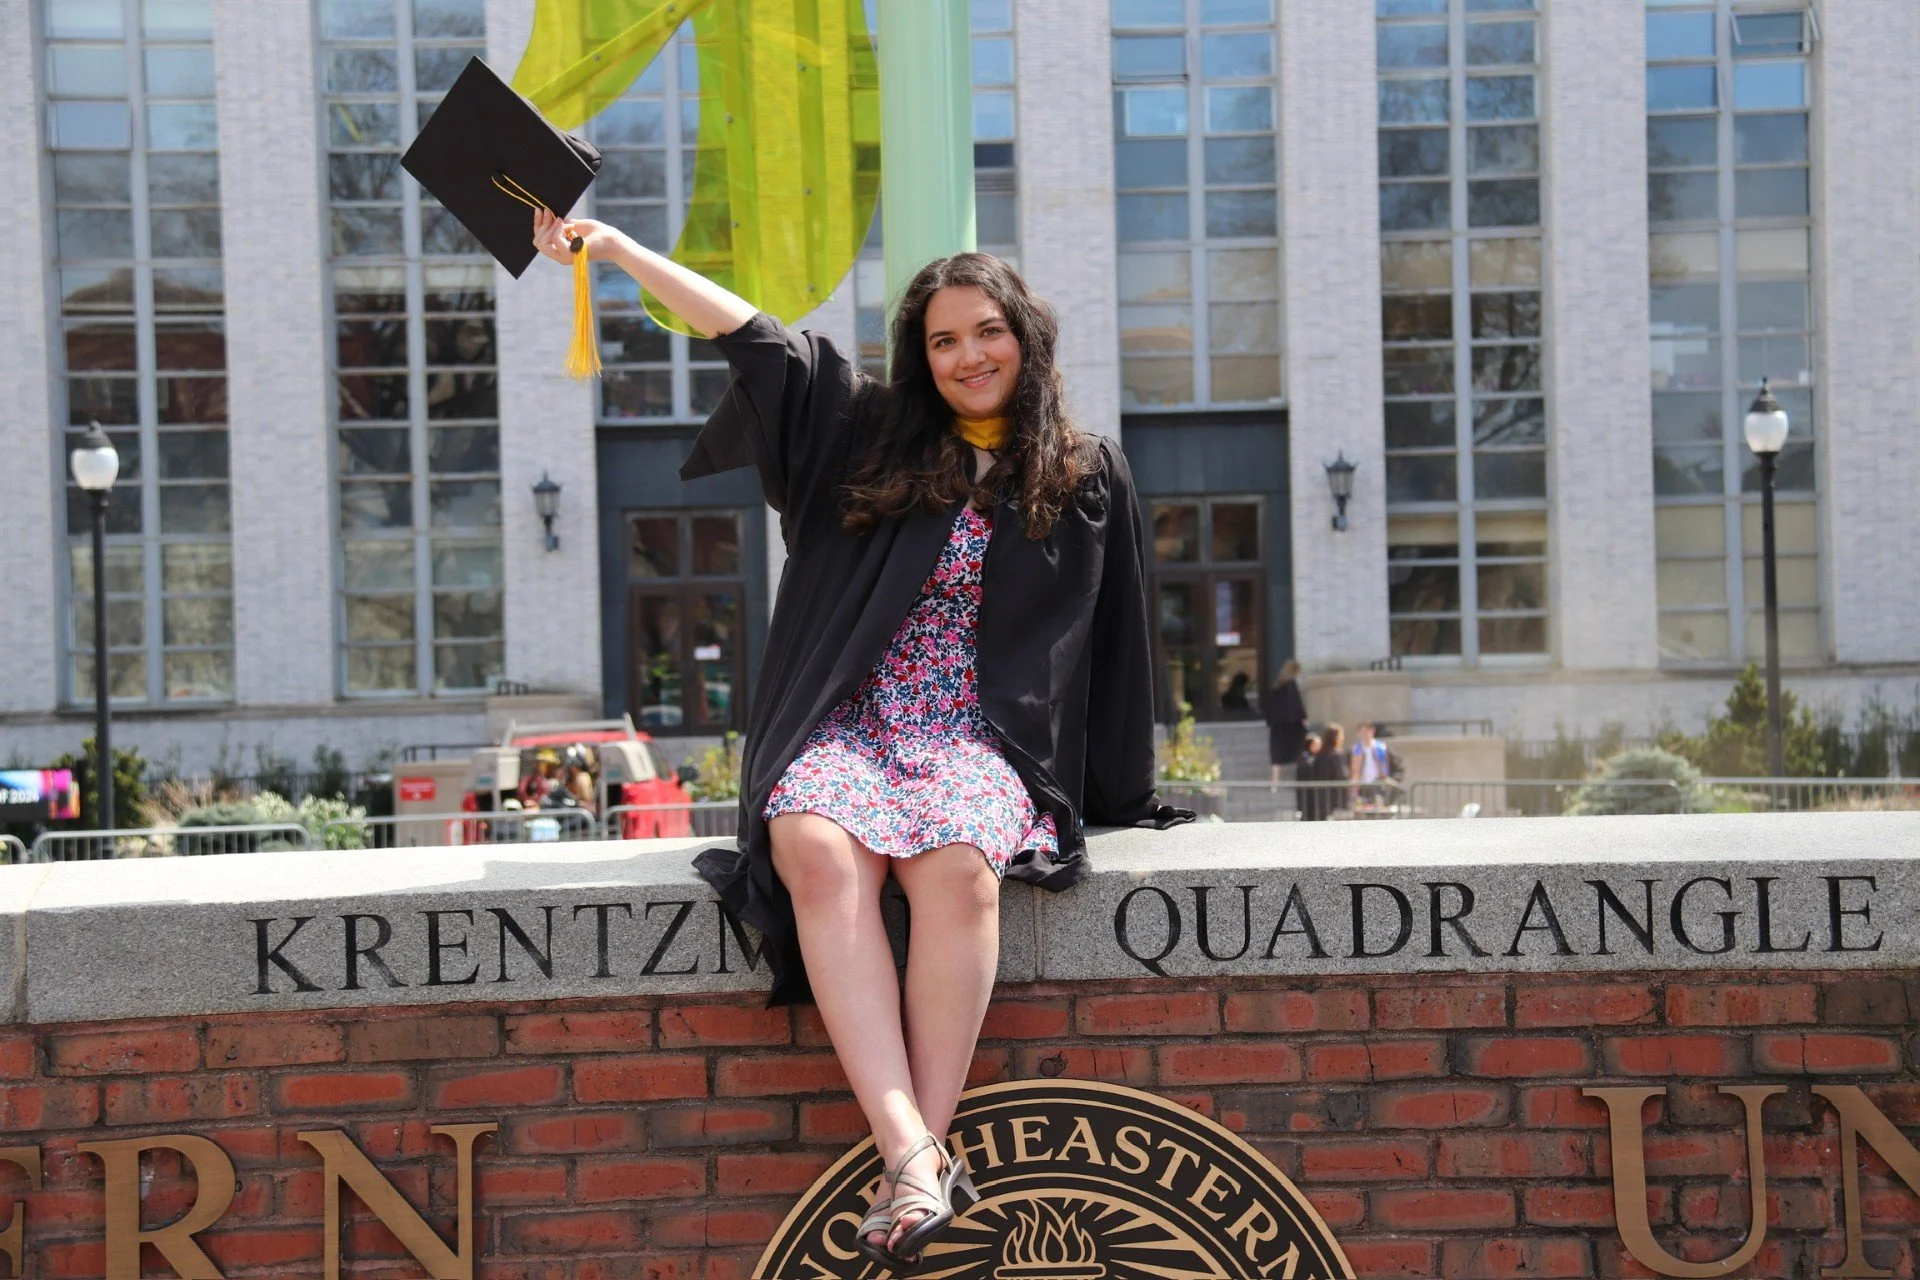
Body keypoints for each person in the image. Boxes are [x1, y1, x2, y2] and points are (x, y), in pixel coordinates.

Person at [532, 210, 1192, 1271]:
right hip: (848, 713)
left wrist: (1122, 790)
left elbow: (1113, 649)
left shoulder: (1082, 474)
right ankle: (917, 1152)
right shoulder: (871, 438)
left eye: (986, 331)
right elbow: (756, 338)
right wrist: (614, 253)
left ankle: (914, 1164)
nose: (968, 354)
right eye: (943, 339)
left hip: (980, 734)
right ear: (920, 357)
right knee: (817, 849)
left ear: (1025, 336)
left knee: (960, 873)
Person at [1264, 660, 1307, 785]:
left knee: (1277, 755)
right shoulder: (1291, 685)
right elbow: (1296, 704)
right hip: (1292, 725)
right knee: (1298, 751)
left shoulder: (1275, 687)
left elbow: (1268, 707)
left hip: (1277, 726)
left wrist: (1270, 721)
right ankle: (1300, 779)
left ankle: (1275, 783)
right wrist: (1303, 719)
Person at [1305, 722, 1349, 820]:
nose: (1343, 738)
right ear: (1336, 737)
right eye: (1341, 735)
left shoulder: (1319, 755)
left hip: (1321, 798)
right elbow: (1340, 775)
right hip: (1335, 798)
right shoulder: (1335, 755)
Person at [1350, 720, 1393, 807]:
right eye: (1361, 732)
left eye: (1366, 731)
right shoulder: (1356, 748)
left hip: (1378, 783)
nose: (1364, 734)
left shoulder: (1381, 747)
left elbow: (1386, 766)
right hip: (1362, 784)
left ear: (1372, 731)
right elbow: (1354, 769)